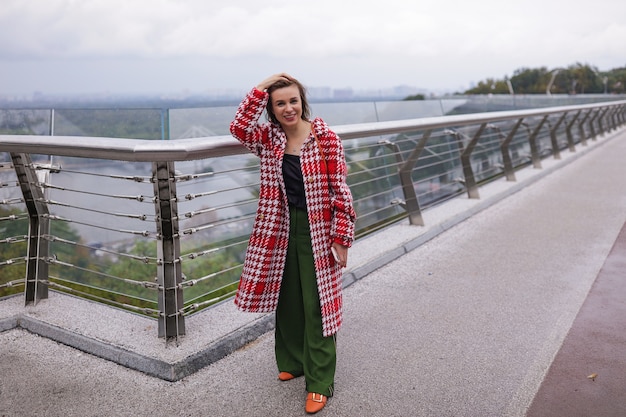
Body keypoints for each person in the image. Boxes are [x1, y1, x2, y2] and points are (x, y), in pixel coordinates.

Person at [230, 73, 356, 414]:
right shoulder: (268, 139)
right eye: (280, 103)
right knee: (287, 299)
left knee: (318, 307)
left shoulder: (325, 137)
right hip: (279, 228)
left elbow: (339, 189)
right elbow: (239, 127)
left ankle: (320, 382)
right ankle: (293, 361)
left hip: (318, 227)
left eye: (294, 101)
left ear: (303, 103)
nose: (289, 108)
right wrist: (260, 88)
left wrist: (342, 237)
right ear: (271, 109)